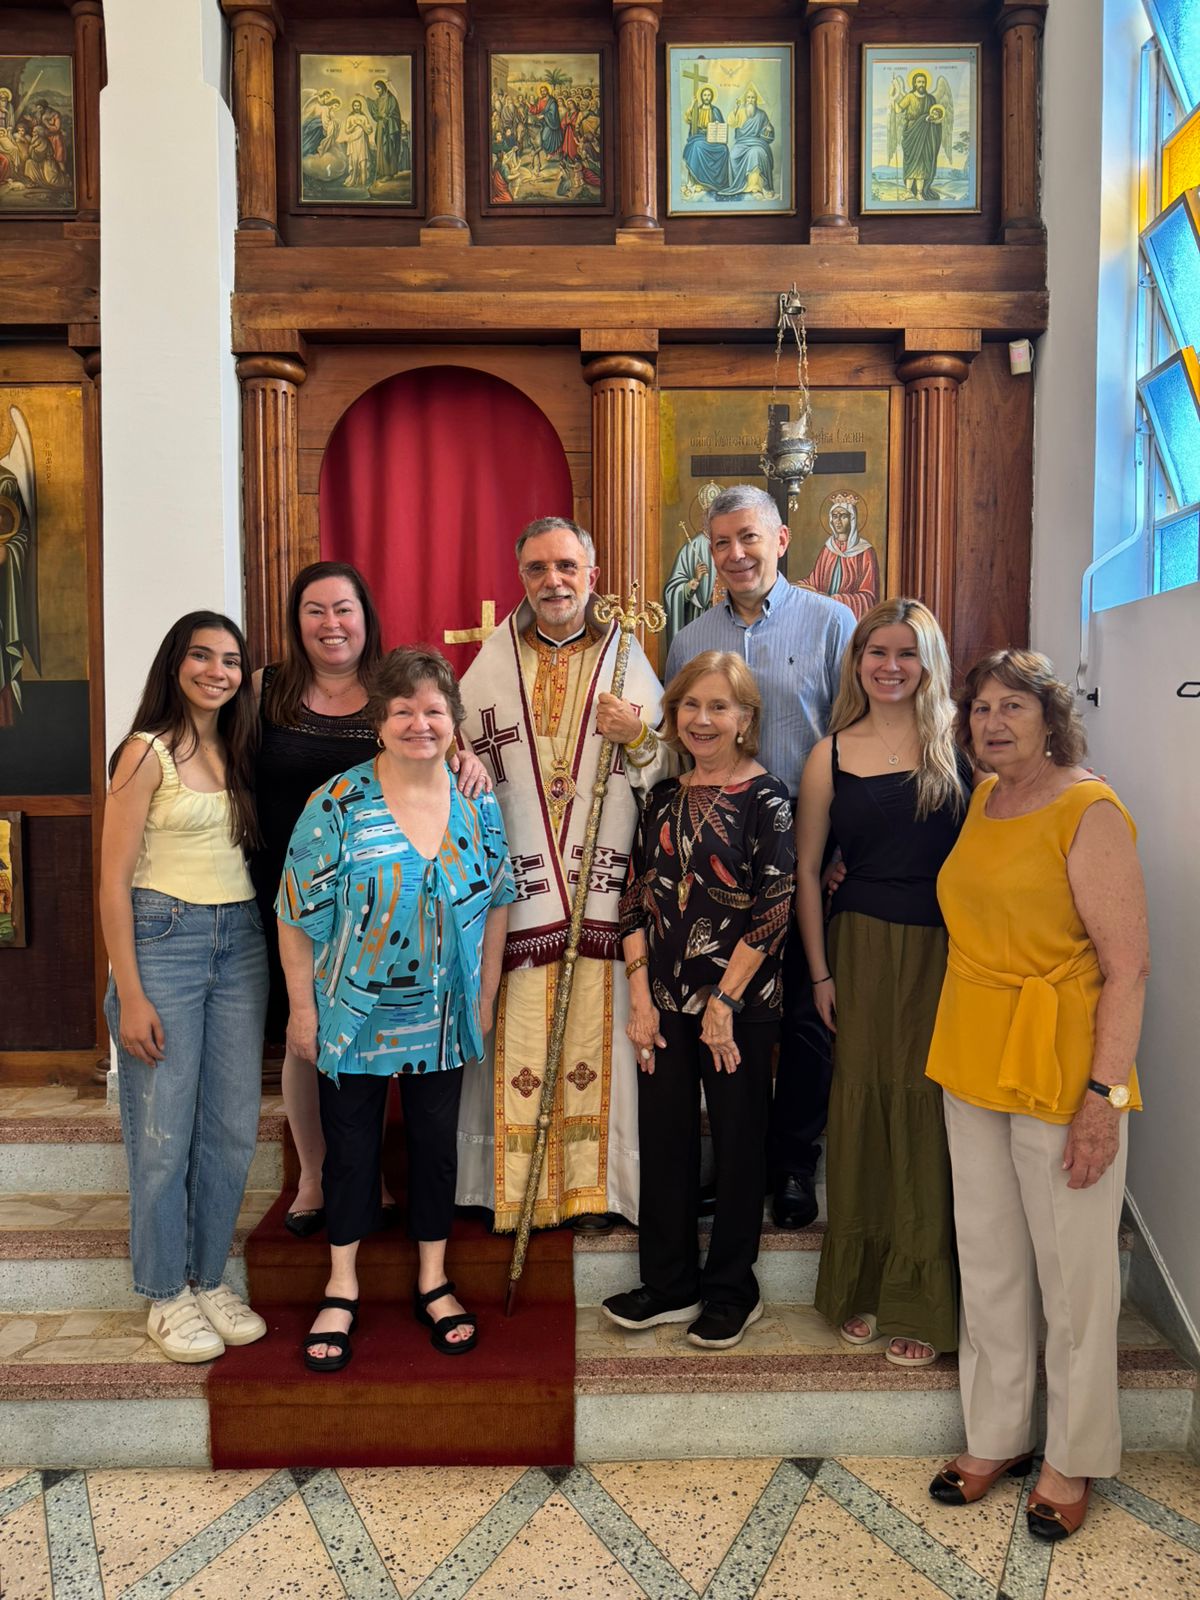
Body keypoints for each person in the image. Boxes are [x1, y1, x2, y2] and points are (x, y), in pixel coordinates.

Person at [925, 650, 1147, 1542]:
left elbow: (1128, 969)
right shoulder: (983, 798)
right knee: (989, 1259)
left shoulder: (1090, 810)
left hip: (1061, 1062)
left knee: (1075, 1272)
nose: (993, 722)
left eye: (1013, 706)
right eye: (980, 708)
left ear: (1051, 718)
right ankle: (998, 1434)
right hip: (971, 1050)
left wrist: (1105, 1097)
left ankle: (1073, 1455)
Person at [277, 649, 514, 1373]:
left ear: (453, 723)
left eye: (434, 710)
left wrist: (485, 995)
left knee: (435, 1148)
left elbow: (498, 901)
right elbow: (294, 914)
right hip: (352, 1013)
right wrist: (302, 1011)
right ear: (379, 721)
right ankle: (341, 1285)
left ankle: (433, 1280)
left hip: (444, 1012)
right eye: (403, 710)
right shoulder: (336, 803)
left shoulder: (476, 801)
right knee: (351, 1150)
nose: (419, 723)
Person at [251, 561, 488, 1238]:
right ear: (296, 620)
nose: (331, 624)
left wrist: (468, 759)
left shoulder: (392, 687)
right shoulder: (266, 689)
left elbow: (437, 739)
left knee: (374, 1038)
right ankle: (316, 1175)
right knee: (305, 1034)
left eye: (344, 609)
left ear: (365, 617)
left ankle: (368, 1176)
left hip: (383, 893)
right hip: (295, 886)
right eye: (315, 610)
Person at [455, 516, 674, 1234]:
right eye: (538, 569)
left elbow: (672, 771)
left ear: (592, 576)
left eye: (567, 567)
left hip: (600, 893)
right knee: (517, 1040)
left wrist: (637, 737)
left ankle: (591, 1192)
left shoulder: (627, 662)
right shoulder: (489, 669)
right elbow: (456, 767)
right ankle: (515, 1192)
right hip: (518, 896)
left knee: (594, 1043)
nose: (553, 581)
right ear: (520, 577)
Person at [662, 485, 855, 1230]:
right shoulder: (691, 637)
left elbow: (852, 737)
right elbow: (679, 738)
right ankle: (737, 1156)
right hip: (717, 854)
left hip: (806, 845)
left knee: (804, 1011)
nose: (735, 554)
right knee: (730, 1009)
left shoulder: (831, 622)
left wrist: (842, 850)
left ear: (780, 538)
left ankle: (794, 1162)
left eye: (748, 537)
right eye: (721, 542)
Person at [795, 600, 968, 1369]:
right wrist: (820, 972)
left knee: (926, 1110)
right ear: (857, 661)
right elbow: (807, 870)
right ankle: (862, 1285)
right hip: (858, 946)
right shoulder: (829, 753)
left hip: (950, 952)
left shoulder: (962, 743)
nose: (890, 666)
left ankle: (921, 1297)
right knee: (862, 1107)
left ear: (928, 662)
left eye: (906, 653)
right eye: (877, 652)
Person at [606, 652, 794, 1349]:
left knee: (740, 1146)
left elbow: (773, 909)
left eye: (720, 707)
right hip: (663, 1002)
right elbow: (634, 895)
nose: (703, 719)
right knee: (666, 1141)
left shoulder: (768, 798)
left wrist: (724, 1002)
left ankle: (732, 1291)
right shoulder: (662, 795)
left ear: (745, 718)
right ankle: (669, 1284)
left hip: (739, 1007)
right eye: (690, 705)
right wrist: (640, 993)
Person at [99, 613, 268, 1363]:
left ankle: (207, 1278)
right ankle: (165, 1292)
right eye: (201, 656)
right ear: (175, 663)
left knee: (232, 1130)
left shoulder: (238, 747)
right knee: (163, 1134)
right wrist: (130, 993)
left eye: (230, 660)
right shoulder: (145, 752)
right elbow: (111, 882)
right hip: (162, 941)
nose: (216, 671)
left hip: (241, 943)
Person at [799, 495, 880, 620]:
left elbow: (868, 598)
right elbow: (814, 581)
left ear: (852, 519)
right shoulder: (828, 549)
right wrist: (798, 586)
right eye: (835, 516)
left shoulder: (865, 552)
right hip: (824, 615)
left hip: (848, 619)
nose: (838, 520)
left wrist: (833, 599)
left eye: (843, 516)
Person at [681, 86, 729, 197]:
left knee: (724, 149)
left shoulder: (715, 110)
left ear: (712, 97)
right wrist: (692, 104)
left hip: (713, 139)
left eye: (708, 95)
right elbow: (688, 119)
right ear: (701, 97)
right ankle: (699, 182)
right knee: (697, 146)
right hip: (699, 137)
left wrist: (716, 125)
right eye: (705, 95)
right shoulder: (697, 110)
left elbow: (722, 126)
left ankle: (716, 183)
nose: (707, 97)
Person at [338, 100, 374, 188]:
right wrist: (354, 125)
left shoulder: (364, 117)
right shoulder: (350, 118)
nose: (357, 107)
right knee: (354, 164)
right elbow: (347, 131)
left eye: (358, 106)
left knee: (363, 164)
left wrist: (361, 124)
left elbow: (369, 131)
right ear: (353, 107)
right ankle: (353, 181)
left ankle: (363, 184)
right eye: (355, 106)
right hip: (353, 143)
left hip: (362, 143)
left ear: (360, 106)